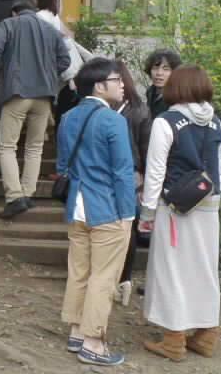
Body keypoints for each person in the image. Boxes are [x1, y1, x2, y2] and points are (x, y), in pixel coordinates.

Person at [139, 65, 221, 362]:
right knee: (204, 269)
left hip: (176, 207)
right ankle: (207, 334)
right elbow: (220, 170)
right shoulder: (217, 123)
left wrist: (148, 212)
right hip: (208, 206)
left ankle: (173, 339)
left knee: (171, 269)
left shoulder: (166, 121)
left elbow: (155, 171)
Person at [57, 58, 135, 367]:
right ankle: (92, 343)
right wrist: (128, 214)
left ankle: (76, 332)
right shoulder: (113, 120)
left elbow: (62, 164)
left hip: (76, 207)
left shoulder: (67, 117)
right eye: (117, 80)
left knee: (79, 271)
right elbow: (123, 172)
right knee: (104, 277)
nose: (122, 85)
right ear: (100, 86)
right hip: (107, 209)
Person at [0, 1, 70, 218]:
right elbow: (65, 60)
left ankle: (14, 197)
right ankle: (27, 194)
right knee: (35, 147)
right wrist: (49, 76)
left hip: (17, 93)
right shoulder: (50, 29)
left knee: (7, 146)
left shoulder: (9, 24)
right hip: (44, 96)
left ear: (14, 12)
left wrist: (2, 72)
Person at [112, 60, 151, 306]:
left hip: (124, 174)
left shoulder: (110, 108)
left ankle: (119, 278)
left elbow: (146, 147)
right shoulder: (141, 109)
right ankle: (123, 280)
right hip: (134, 173)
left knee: (123, 227)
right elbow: (147, 148)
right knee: (128, 227)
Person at [30, 0, 85, 127]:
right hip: (69, 69)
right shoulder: (53, 16)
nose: (31, 0)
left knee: (58, 110)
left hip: (60, 70)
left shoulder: (39, 17)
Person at [144, 48, 182, 118]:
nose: (159, 73)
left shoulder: (178, 96)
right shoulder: (151, 91)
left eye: (166, 69)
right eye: (155, 68)